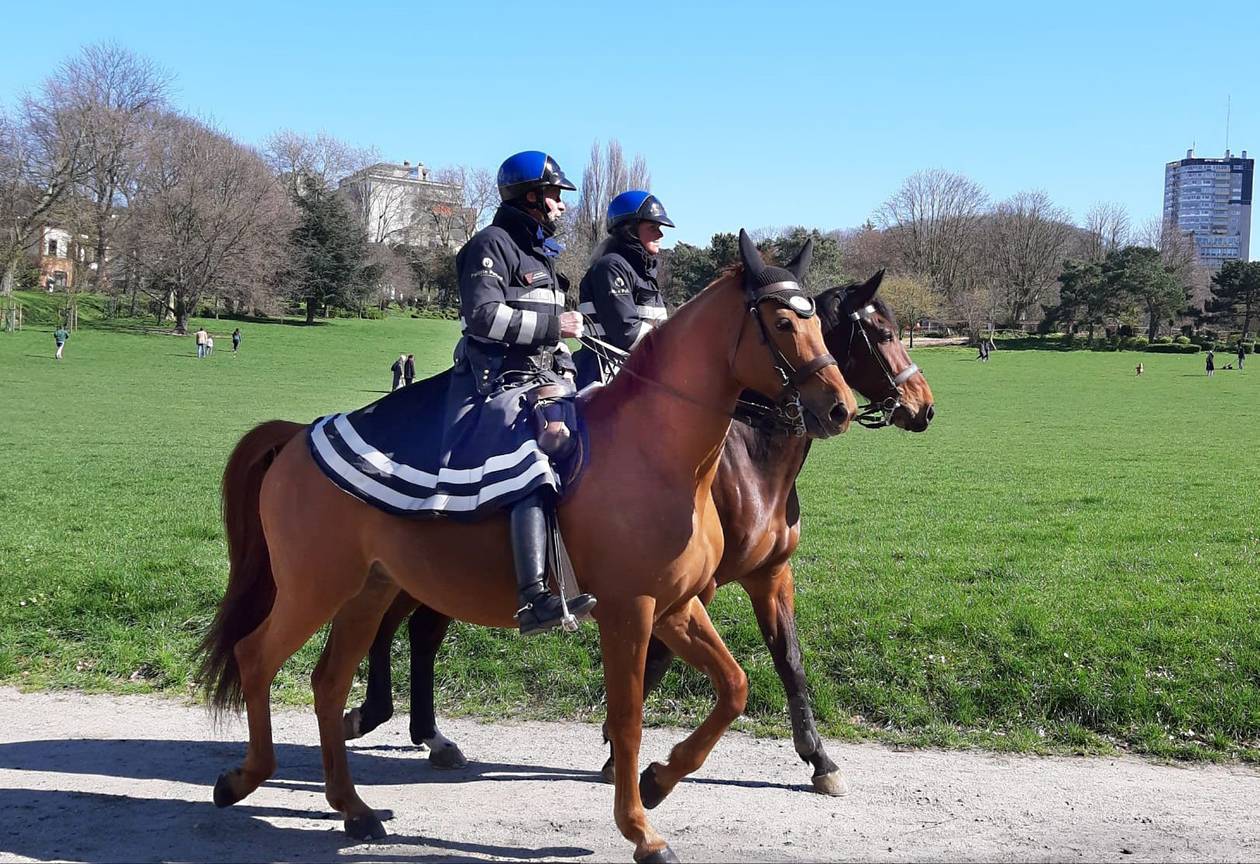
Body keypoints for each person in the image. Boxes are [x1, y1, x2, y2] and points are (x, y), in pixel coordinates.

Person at [445, 149, 596, 636]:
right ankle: (533, 596)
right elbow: (482, 317)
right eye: (555, 195)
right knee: (532, 457)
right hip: (498, 383)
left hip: (546, 381)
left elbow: (553, 341)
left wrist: (573, 372)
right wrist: (557, 325)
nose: (561, 205)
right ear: (531, 196)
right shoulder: (490, 245)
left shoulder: (539, 255)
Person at [574, 190, 674, 387]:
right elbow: (627, 332)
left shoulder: (644, 273)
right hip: (603, 378)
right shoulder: (611, 267)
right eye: (653, 227)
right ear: (630, 230)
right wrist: (676, 343)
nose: (660, 234)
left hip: (634, 374)